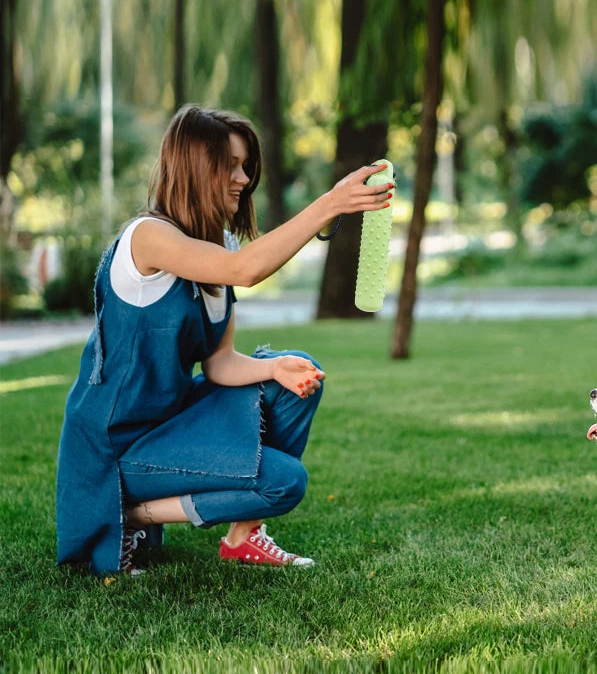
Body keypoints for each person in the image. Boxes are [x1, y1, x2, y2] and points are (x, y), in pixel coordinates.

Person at [56, 104, 393, 575]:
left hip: (169, 426)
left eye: (245, 166)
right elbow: (245, 271)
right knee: (285, 482)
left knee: (294, 375)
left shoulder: (220, 245)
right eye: (230, 166)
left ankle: (243, 536)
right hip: (114, 450)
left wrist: (274, 368)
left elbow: (219, 364)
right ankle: (127, 511)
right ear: (196, 169)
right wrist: (330, 204)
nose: (243, 178)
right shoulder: (147, 239)